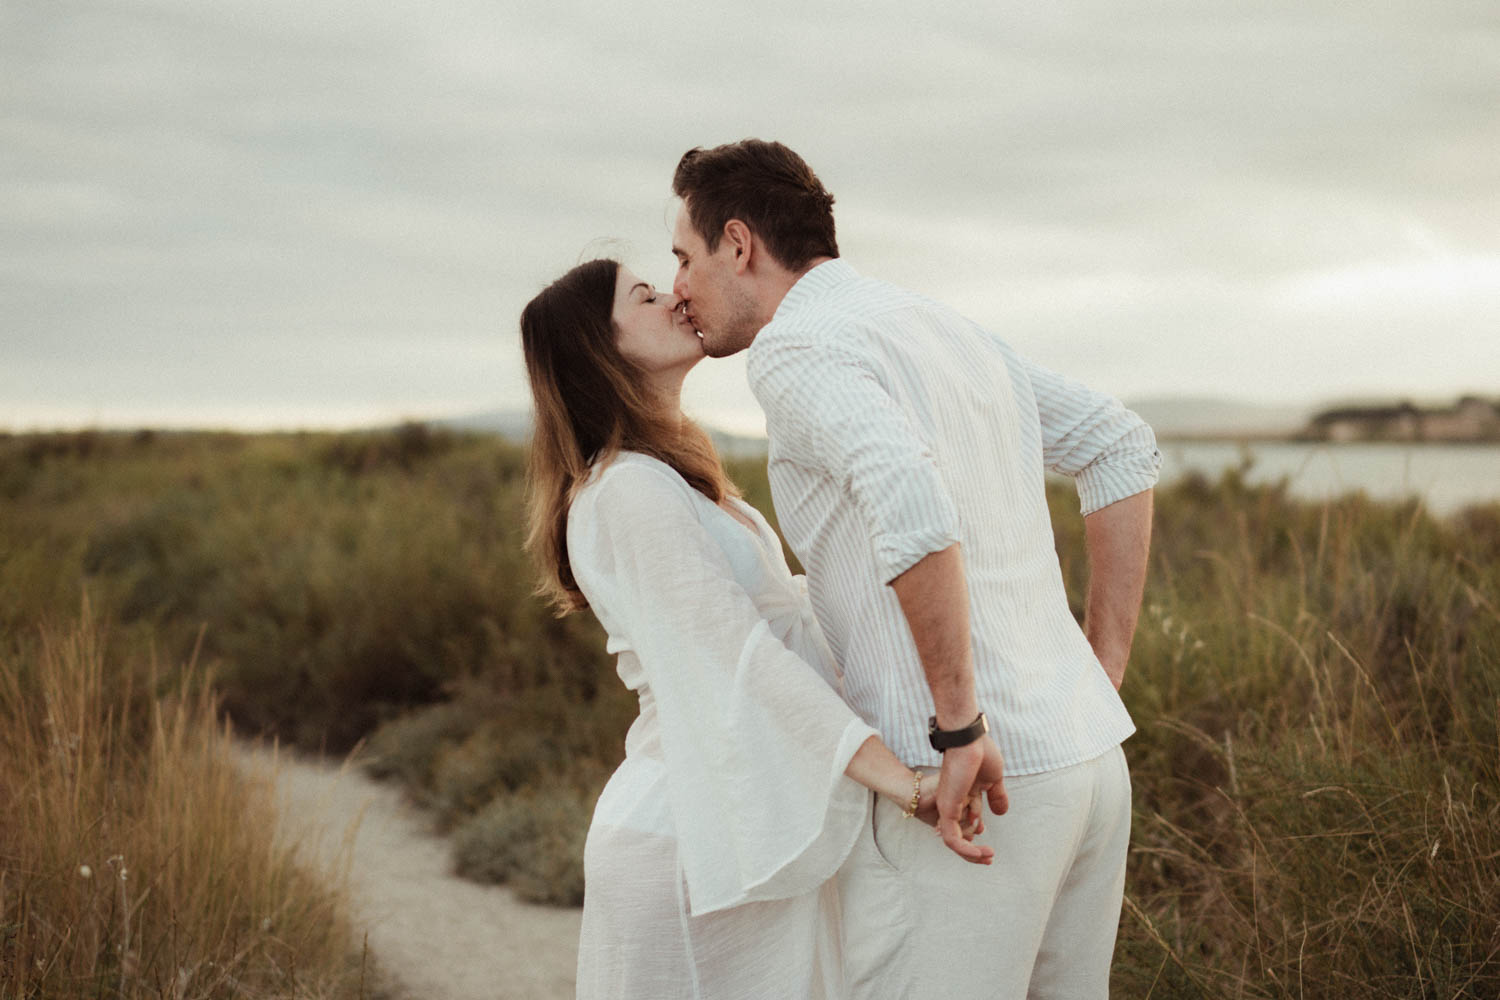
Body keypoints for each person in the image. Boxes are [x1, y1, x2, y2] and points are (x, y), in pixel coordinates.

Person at [668, 139, 1161, 999]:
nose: (676, 286)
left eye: (683, 257)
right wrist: (1100, 670)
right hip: (1086, 765)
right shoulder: (941, 327)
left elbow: (910, 496)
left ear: (738, 244)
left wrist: (959, 727)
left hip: (972, 787)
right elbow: (1120, 444)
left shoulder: (794, 348)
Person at [519, 258, 985, 1000]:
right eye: (644, 296)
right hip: (685, 836)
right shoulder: (627, 492)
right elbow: (742, 657)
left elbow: (792, 615)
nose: (674, 293)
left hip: (742, 813)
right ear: (598, 349)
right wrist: (901, 783)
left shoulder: (674, 477)